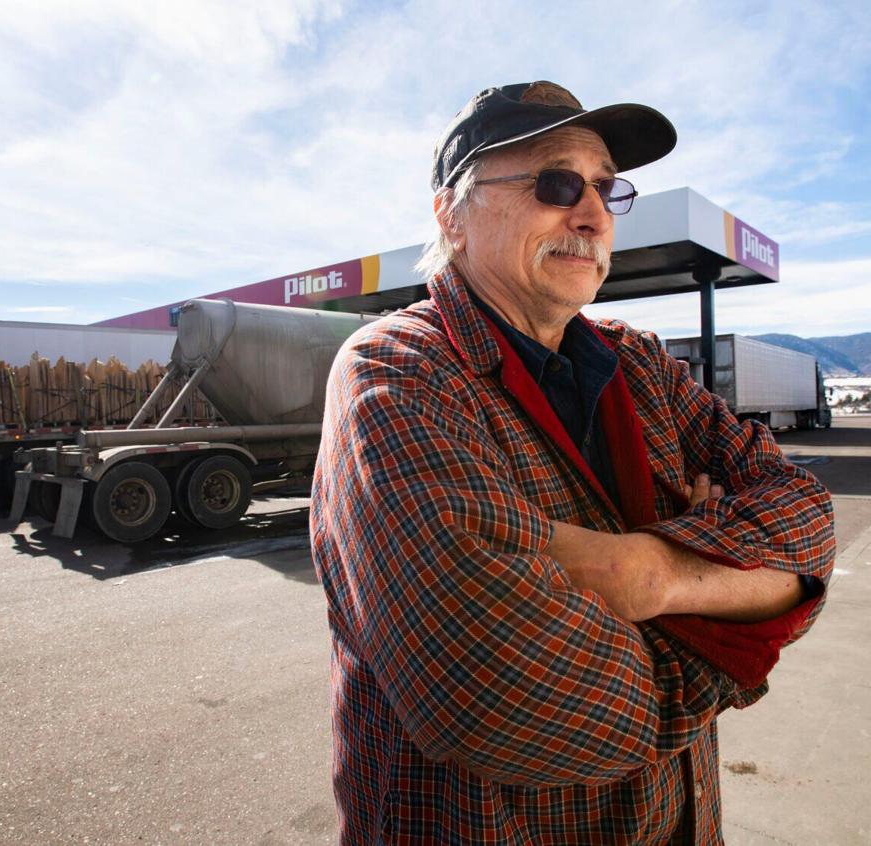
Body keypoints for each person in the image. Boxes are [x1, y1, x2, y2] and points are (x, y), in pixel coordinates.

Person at [309, 80, 834, 845]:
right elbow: (507, 698)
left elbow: (806, 513)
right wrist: (747, 614)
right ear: (452, 216)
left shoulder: (638, 363)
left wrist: (653, 575)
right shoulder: (397, 372)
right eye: (556, 183)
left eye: (606, 188)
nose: (592, 214)